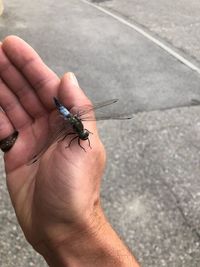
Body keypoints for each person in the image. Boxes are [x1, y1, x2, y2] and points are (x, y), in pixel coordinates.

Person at [0, 35, 140, 267]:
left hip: (68, 117)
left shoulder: (80, 131)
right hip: (65, 115)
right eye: (84, 135)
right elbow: (72, 139)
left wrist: (73, 232)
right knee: (64, 127)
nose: (84, 137)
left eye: (83, 135)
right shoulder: (70, 131)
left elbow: (79, 138)